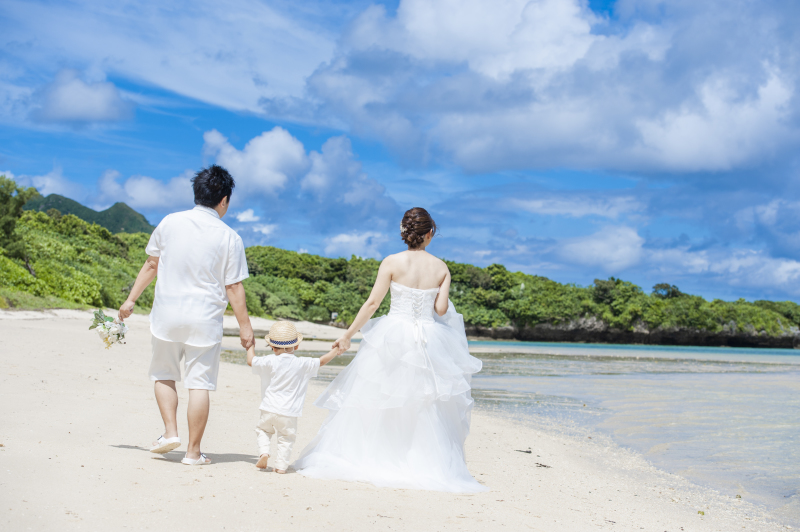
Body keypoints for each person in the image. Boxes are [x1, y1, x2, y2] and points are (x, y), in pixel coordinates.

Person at [293, 207, 486, 492]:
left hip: (393, 335)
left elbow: (372, 304)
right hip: (427, 339)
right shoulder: (441, 268)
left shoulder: (391, 262)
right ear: (430, 234)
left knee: (381, 396)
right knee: (423, 402)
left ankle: (376, 456)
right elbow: (441, 309)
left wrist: (347, 336)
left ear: (403, 232)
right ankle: (417, 460)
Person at [118, 165, 255, 466]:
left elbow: (152, 265)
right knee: (200, 383)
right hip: (204, 320)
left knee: (164, 373)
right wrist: (246, 328)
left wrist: (130, 300)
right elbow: (233, 287)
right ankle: (193, 453)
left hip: (167, 314)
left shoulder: (169, 223)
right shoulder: (230, 237)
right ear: (224, 200)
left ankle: (169, 432)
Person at [246, 321, 341, 474]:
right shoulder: (302, 363)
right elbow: (321, 361)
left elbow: (251, 361)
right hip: (289, 412)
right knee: (286, 438)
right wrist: (336, 350)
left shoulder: (270, 360)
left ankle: (264, 452)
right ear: (296, 346)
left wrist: (249, 345)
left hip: (268, 407)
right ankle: (281, 466)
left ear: (272, 346)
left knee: (263, 430)